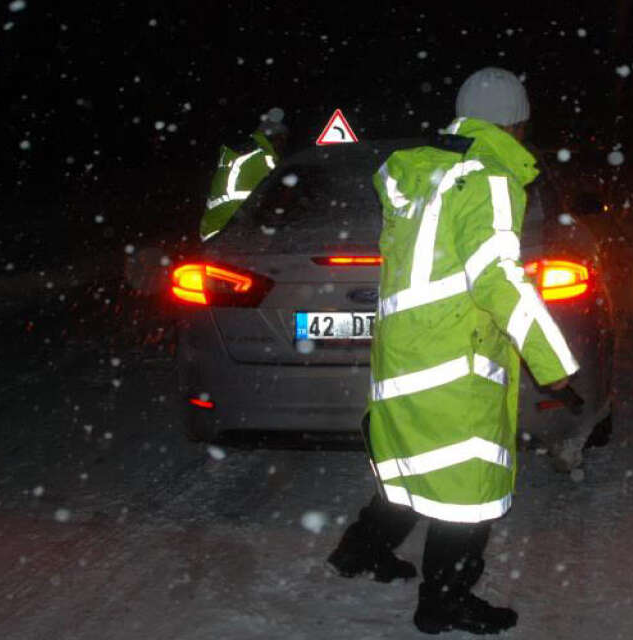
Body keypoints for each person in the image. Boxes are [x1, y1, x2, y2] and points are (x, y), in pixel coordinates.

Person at [327, 67, 578, 635]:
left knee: (414, 465)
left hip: (403, 353)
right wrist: (552, 361)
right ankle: (444, 602)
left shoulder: (423, 171)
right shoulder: (488, 177)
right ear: (515, 123)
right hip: (453, 361)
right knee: (467, 493)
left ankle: (357, 552)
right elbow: (497, 280)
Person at [199, 108, 287, 241]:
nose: (283, 145)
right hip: (230, 233)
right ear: (275, 138)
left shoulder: (245, 152)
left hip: (216, 228)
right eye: (283, 139)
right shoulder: (262, 158)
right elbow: (273, 195)